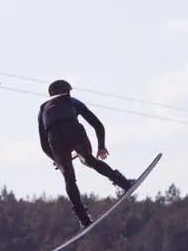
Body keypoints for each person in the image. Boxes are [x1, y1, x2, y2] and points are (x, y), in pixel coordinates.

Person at [38, 79, 134, 228]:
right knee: (90, 160)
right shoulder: (72, 101)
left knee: (69, 179)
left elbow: (44, 144)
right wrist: (101, 146)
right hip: (75, 132)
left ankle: (83, 218)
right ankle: (124, 183)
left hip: (55, 139)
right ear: (67, 91)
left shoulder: (42, 110)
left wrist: (56, 159)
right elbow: (97, 124)